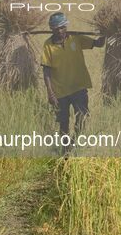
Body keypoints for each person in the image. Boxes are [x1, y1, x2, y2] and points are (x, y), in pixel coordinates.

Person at [41, 12, 105, 145]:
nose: (60, 31)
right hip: (60, 91)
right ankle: (65, 149)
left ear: (66, 26)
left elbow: (98, 44)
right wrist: (50, 93)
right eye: (57, 28)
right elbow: (46, 70)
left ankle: (75, 144)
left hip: (79, 87)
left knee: (82, 117)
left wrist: (105, 30)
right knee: (63, 123)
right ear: (51, 29)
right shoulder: (48, 46)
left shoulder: (76, 39)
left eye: (62, 27)